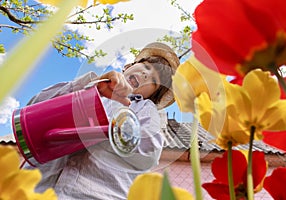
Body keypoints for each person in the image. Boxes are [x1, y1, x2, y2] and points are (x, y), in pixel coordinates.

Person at [24, 42, 180, 199]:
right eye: (146, 67)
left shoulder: (145, 108)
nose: (146, 75)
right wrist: (89, 86)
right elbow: (32, 109)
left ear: (152, 95)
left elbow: (149, 152)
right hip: (35, 188)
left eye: (154, 81)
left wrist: (103, 132)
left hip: (96, 194)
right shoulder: (89, 87)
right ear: (127, 66)